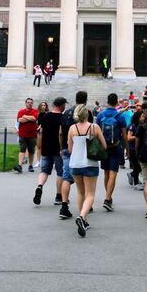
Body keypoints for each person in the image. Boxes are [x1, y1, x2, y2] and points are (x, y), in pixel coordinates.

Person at [68, 104, 106, 237]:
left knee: (80, 192)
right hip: (90, 163)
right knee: (90, 194)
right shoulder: (94, 127)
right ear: (87, 114)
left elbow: (70, 149)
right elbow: (104, 145)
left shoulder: (72, 129)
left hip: (75, 163)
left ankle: (84, 220)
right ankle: (81, 217)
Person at [58, 91, 93, 220]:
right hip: (83, 150)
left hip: (68, 147)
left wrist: (62, 147)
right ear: (86, 100)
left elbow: (61, 132)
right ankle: (84, 204)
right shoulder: (86, 113)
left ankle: (64, 205)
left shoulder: (66, 112)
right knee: (85, 177)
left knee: (67, 177)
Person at [95, 93, 127, 212]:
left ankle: (108, 196)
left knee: (106, 173)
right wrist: (127, 150)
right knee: (113, 173)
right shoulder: (120, 116)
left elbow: (97, 132)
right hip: (115, 147)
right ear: (117, 103)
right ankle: (107, 198)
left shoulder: (100, 114)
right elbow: (124, 136)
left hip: (103, 148)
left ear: (107, 101)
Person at [33, 97, 67, 206]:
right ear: (61, 106)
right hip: (57, 148)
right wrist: (62, 148)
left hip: (46, 147)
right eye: (64, 105)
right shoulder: (62, 117)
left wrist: (40, 145)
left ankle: (40, 186)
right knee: (60, 172)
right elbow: (61, 134)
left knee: (44, 171)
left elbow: (40, 131)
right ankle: (58, 196)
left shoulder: (44, 116)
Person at [14, 98, 39, 173]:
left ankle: (30, 165)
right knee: (22, 150)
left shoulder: (35, 111)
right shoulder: (21, 111)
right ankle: (20, 166)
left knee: (31, 151)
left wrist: (25, 116)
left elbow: (34, 118)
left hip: (32, 135)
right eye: (28, 102)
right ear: (25, 103)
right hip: (22, 134)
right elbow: (19, 120)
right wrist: (29, 118)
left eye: (31, 102)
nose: (29, 103)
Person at [127, 109, 146, 190]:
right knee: (137, 166)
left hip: (140, 148)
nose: (144, 118)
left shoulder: (143, 126)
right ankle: (136, 183)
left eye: (144, 117)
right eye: (142, 117)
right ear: (138, 117)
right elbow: (128, 138)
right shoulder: (133, 126)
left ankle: (132, 175)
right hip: (132, 149)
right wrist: (137, 136)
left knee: (139, 166)